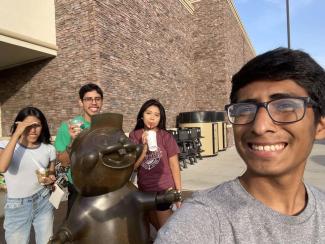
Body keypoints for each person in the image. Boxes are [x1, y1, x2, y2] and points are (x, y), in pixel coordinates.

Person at [155, 48, 325, 243]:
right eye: (245, 109)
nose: (260, 127)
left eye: (285, 106)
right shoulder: (202, 221)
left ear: (320, 126)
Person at [0, 107, 56, 244]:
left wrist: (50, 179)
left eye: (37, 125)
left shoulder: (49, 149)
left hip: (43, 200)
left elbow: (51, 172)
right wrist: (16, 133)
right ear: (19, 125)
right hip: (17, 205)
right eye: (28, 126)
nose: (33, 130)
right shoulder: (5, 145)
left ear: (42, 126)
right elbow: (2, 167)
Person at [129, 99, 182, 231]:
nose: (152, 118)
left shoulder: (166, 137)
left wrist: (178, 194)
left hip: (164, 190)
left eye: (156, 115)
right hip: (145, 191)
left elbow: (175, 166)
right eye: (148, 113)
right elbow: (133, 167)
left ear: (160, 118)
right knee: (152, 229)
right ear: (142, 115)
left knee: (167, 232)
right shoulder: (134, 136)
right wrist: (144, 147)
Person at [54, 83, 103, 216]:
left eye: (97, 99)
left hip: (103, 185)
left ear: (101, 101)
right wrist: (71, 141)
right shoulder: (68, 127)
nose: (94, 102)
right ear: (81, 102)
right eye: (88, 99)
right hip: (79, 187)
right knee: (76, 230)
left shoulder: (106, 126)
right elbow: (64, 162)